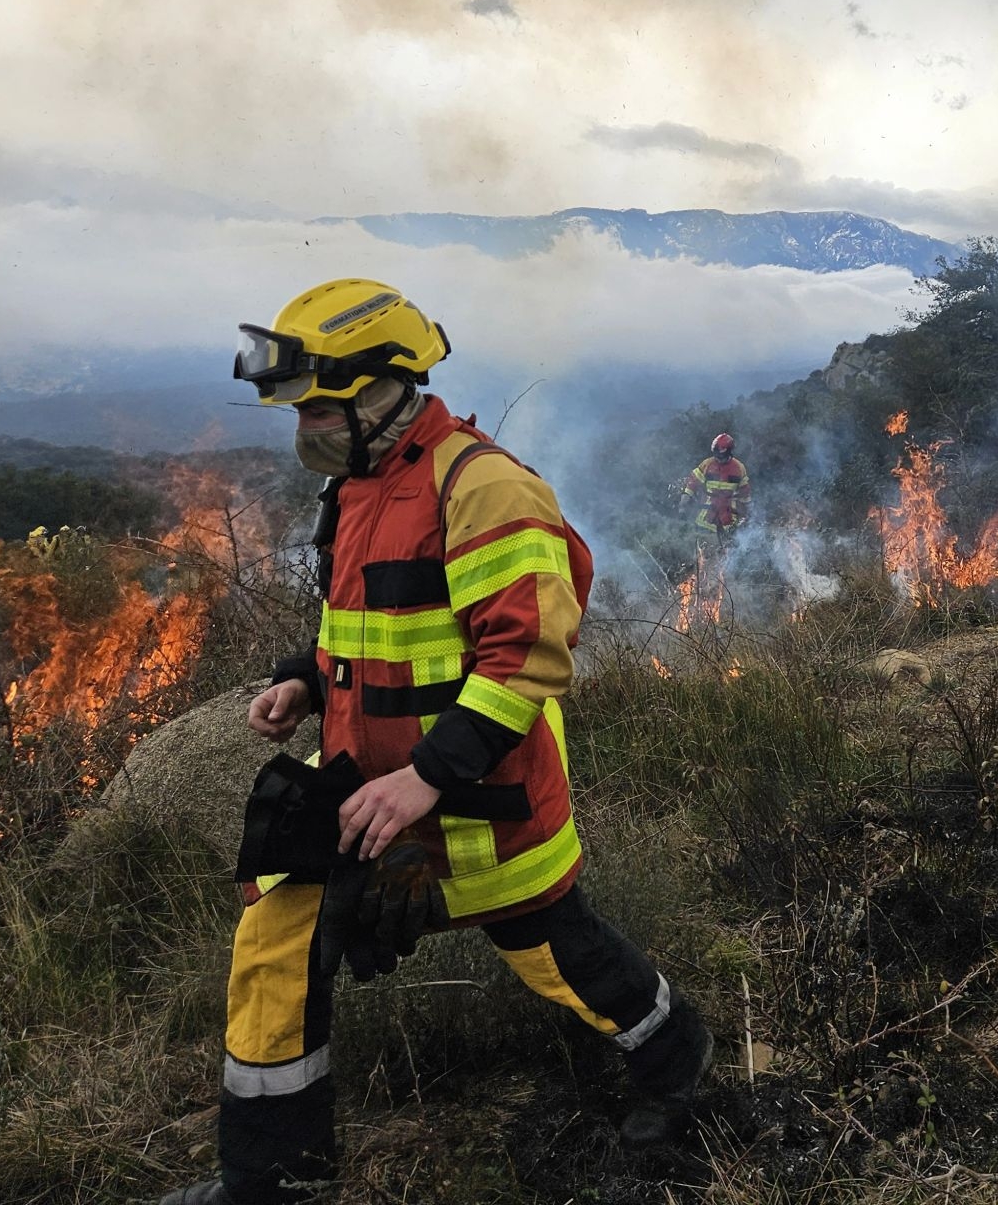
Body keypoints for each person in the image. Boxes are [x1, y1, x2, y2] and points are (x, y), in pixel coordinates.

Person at [163, 279, 712, 1205]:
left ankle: (674, 1058)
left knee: (555, 957)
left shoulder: (485, 489)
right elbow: (363, 620)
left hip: (477, 798)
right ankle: (271, 1182)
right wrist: (305, 678)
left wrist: (424, 778)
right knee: (275, 944)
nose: (306, 430)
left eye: (319, 409)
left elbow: (525, 661)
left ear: (381, 391)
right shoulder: (358, 484)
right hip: (361, 787)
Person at [677, 432, 750, 542]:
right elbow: (691, 484)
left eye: (721, 457)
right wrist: (683, 505)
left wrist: (744, 518)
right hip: (706, 517)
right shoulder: (707, 464)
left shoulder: (739, 468)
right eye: (716, 456)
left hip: (728, 520)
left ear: (729, 452)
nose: (718, 459)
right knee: (701, 545)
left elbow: (744, 495)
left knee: (726, 548)